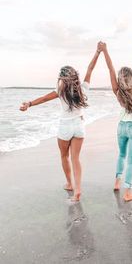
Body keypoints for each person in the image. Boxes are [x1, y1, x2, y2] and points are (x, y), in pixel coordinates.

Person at [19, 43, 101, 201]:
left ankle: (70, 184)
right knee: (76, 158)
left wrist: (29, 104)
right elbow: (90, 69)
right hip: (79, 126)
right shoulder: (83, 89)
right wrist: (97, 52)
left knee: (64, 156)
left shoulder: (60, 91)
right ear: (75, 76)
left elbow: (43, 99)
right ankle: (78, 189)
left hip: (65, 127)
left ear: (62, 78)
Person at [97, 33, 132, 201]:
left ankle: (117, 182)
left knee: (122, 155)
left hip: (121, 127)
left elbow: (110, 69)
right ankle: (128, 193)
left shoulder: (118, 91)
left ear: (120, 79)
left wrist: (104, 51)